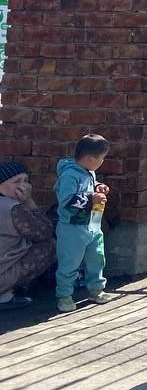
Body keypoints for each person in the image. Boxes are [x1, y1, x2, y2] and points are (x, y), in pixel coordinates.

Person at [55, 134, 113, 313]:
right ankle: (64, 295)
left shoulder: (88, 171)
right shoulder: (69, 175)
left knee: (97, 258)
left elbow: (89, 186)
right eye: (101, 158)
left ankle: (96, 289)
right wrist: (91, 198)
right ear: (89, 159)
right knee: (69, 263)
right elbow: (66, 200)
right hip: (72, 227)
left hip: (93, 223)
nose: (102, 162)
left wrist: (98, 186)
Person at [0, 162, 56, 311]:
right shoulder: (12, 208)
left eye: (25, 180)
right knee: (50, 245)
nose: (23, 186)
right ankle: (4, 295)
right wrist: (28, 200)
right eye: (17, 181)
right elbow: (45, 231)